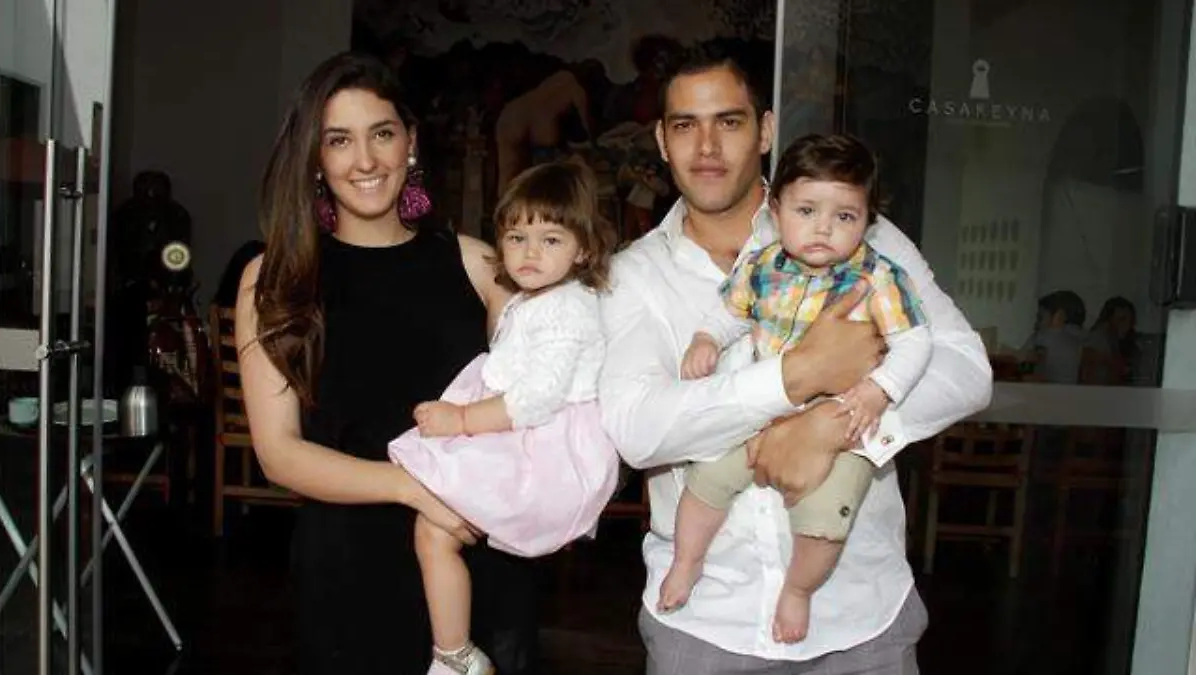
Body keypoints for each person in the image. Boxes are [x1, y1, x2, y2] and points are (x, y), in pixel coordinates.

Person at [598, 50, 992, 673]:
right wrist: (796, 377)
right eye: (685, 125)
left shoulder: (863, 239)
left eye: (729, 122)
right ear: (662, 141)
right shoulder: (634, 274)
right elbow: (637, 429)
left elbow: (966, 369)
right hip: (703, 622)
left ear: (765, 131)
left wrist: (829, 427)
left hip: (858, 617)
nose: (707, 146)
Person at [235, 52, 539, 675]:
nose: (365, 160)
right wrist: (412, 487)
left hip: (475, 555)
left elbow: (545, 391)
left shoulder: (477, 265)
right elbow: (279, 453)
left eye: (382, 133)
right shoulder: (277, 278)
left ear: (411, 142)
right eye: (339, 140)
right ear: (316, 158)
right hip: (350, 573)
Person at [661, 134, 932, 645]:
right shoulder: (762, 266)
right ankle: (687, 559)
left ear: (868, 220)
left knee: (826, 518)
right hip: (765, 411)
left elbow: (916, 342)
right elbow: (729, 313)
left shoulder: (879, 277)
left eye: (845, 216)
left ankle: (799, 589)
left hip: (842, 420)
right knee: (705, 482)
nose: (823, 228)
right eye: (806, 210)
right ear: (776, 209)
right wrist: (706, 339)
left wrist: (880, 389)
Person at [389, 159, 621, 675]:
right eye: (516, 238)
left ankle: (454, 655)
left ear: (584, 249)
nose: (530, 253)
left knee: (434, 530)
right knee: (432, 531)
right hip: (517, 432)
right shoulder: (536, 298)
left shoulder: (567, 309)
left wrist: (461, 420)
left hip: (541, 446)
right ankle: (454, 653)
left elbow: (536, 399)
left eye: (550, 240)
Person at [1022, 290, 1088, 384]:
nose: (1036, 325)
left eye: (1040, 318)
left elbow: (1021, 366)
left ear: (1058, 316)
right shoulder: (1085, 341)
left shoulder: (1043, 338)